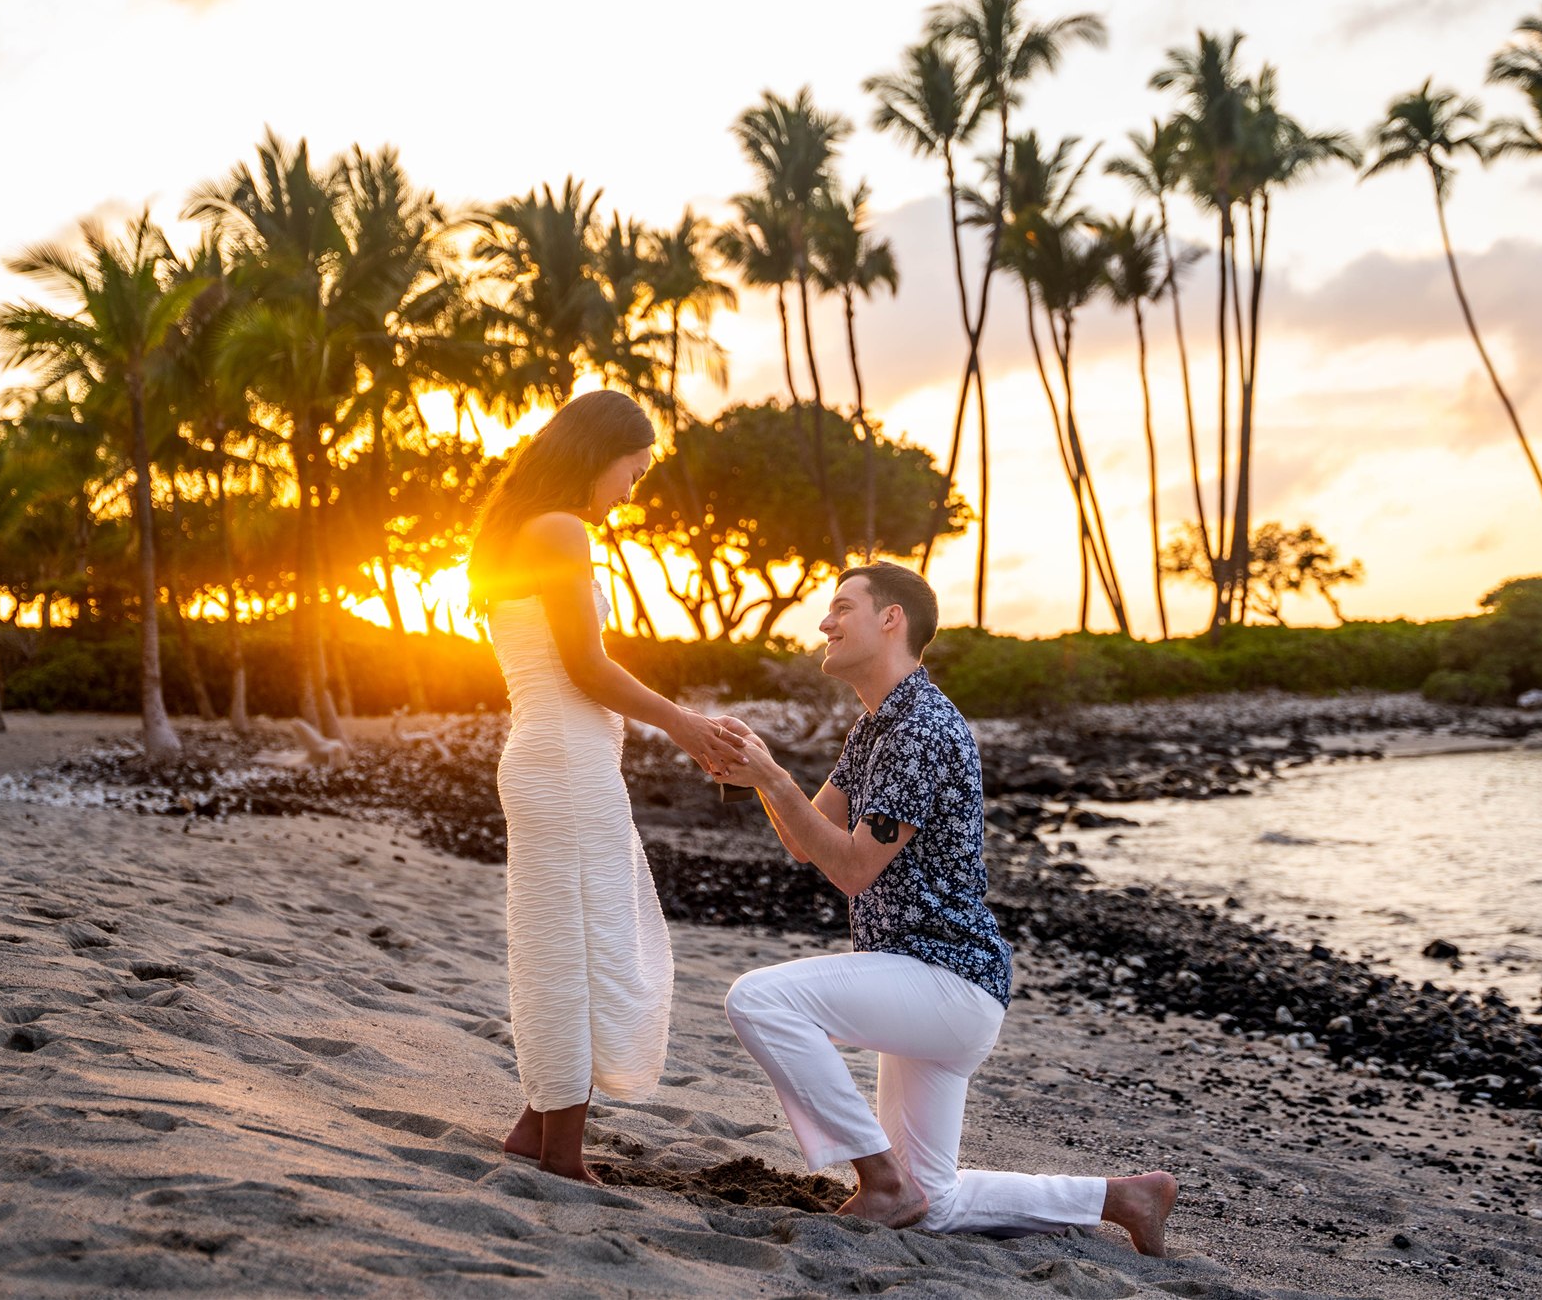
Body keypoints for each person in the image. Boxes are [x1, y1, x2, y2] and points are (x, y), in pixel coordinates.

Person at [711, 561, 1177, 1251]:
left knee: (759, 1000)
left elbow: (852, 868)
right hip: (922, 979)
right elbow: (810, 842)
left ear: (890, 618)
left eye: (842, 607)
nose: (824, 622)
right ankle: (1123, 1196)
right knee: (934, 1203)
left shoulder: (922, 728)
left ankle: (878, 1176)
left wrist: (774, 776)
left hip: (944, 978)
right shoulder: (875, 728)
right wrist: (762, 777)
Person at [467, 389, 749, 1183]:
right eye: (634, 469)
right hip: (563, 758)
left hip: (557, 756)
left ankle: (537, 1127)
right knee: (583, 949)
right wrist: (684, 723)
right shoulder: (560, 530)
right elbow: (585, 668)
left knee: (573, 939)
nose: (633, 489)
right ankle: (560, 1153)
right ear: (599, 454)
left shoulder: (522, 530)